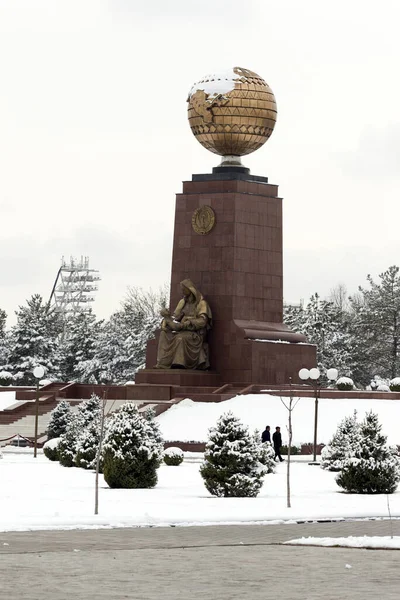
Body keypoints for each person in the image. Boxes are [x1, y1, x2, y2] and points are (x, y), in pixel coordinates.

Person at [155, 279, 212, 370]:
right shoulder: (183, 303)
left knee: (180, 338)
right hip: (181, 329)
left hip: (194, 333)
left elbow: (203, 321)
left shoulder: (201, 303)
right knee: (164, 334)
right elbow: (176, 317)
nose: (182, 291)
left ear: (190, 289)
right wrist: (167, 320)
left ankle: (179, 363)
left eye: (183, 289)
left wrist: (188, 322)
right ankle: (163, 363)